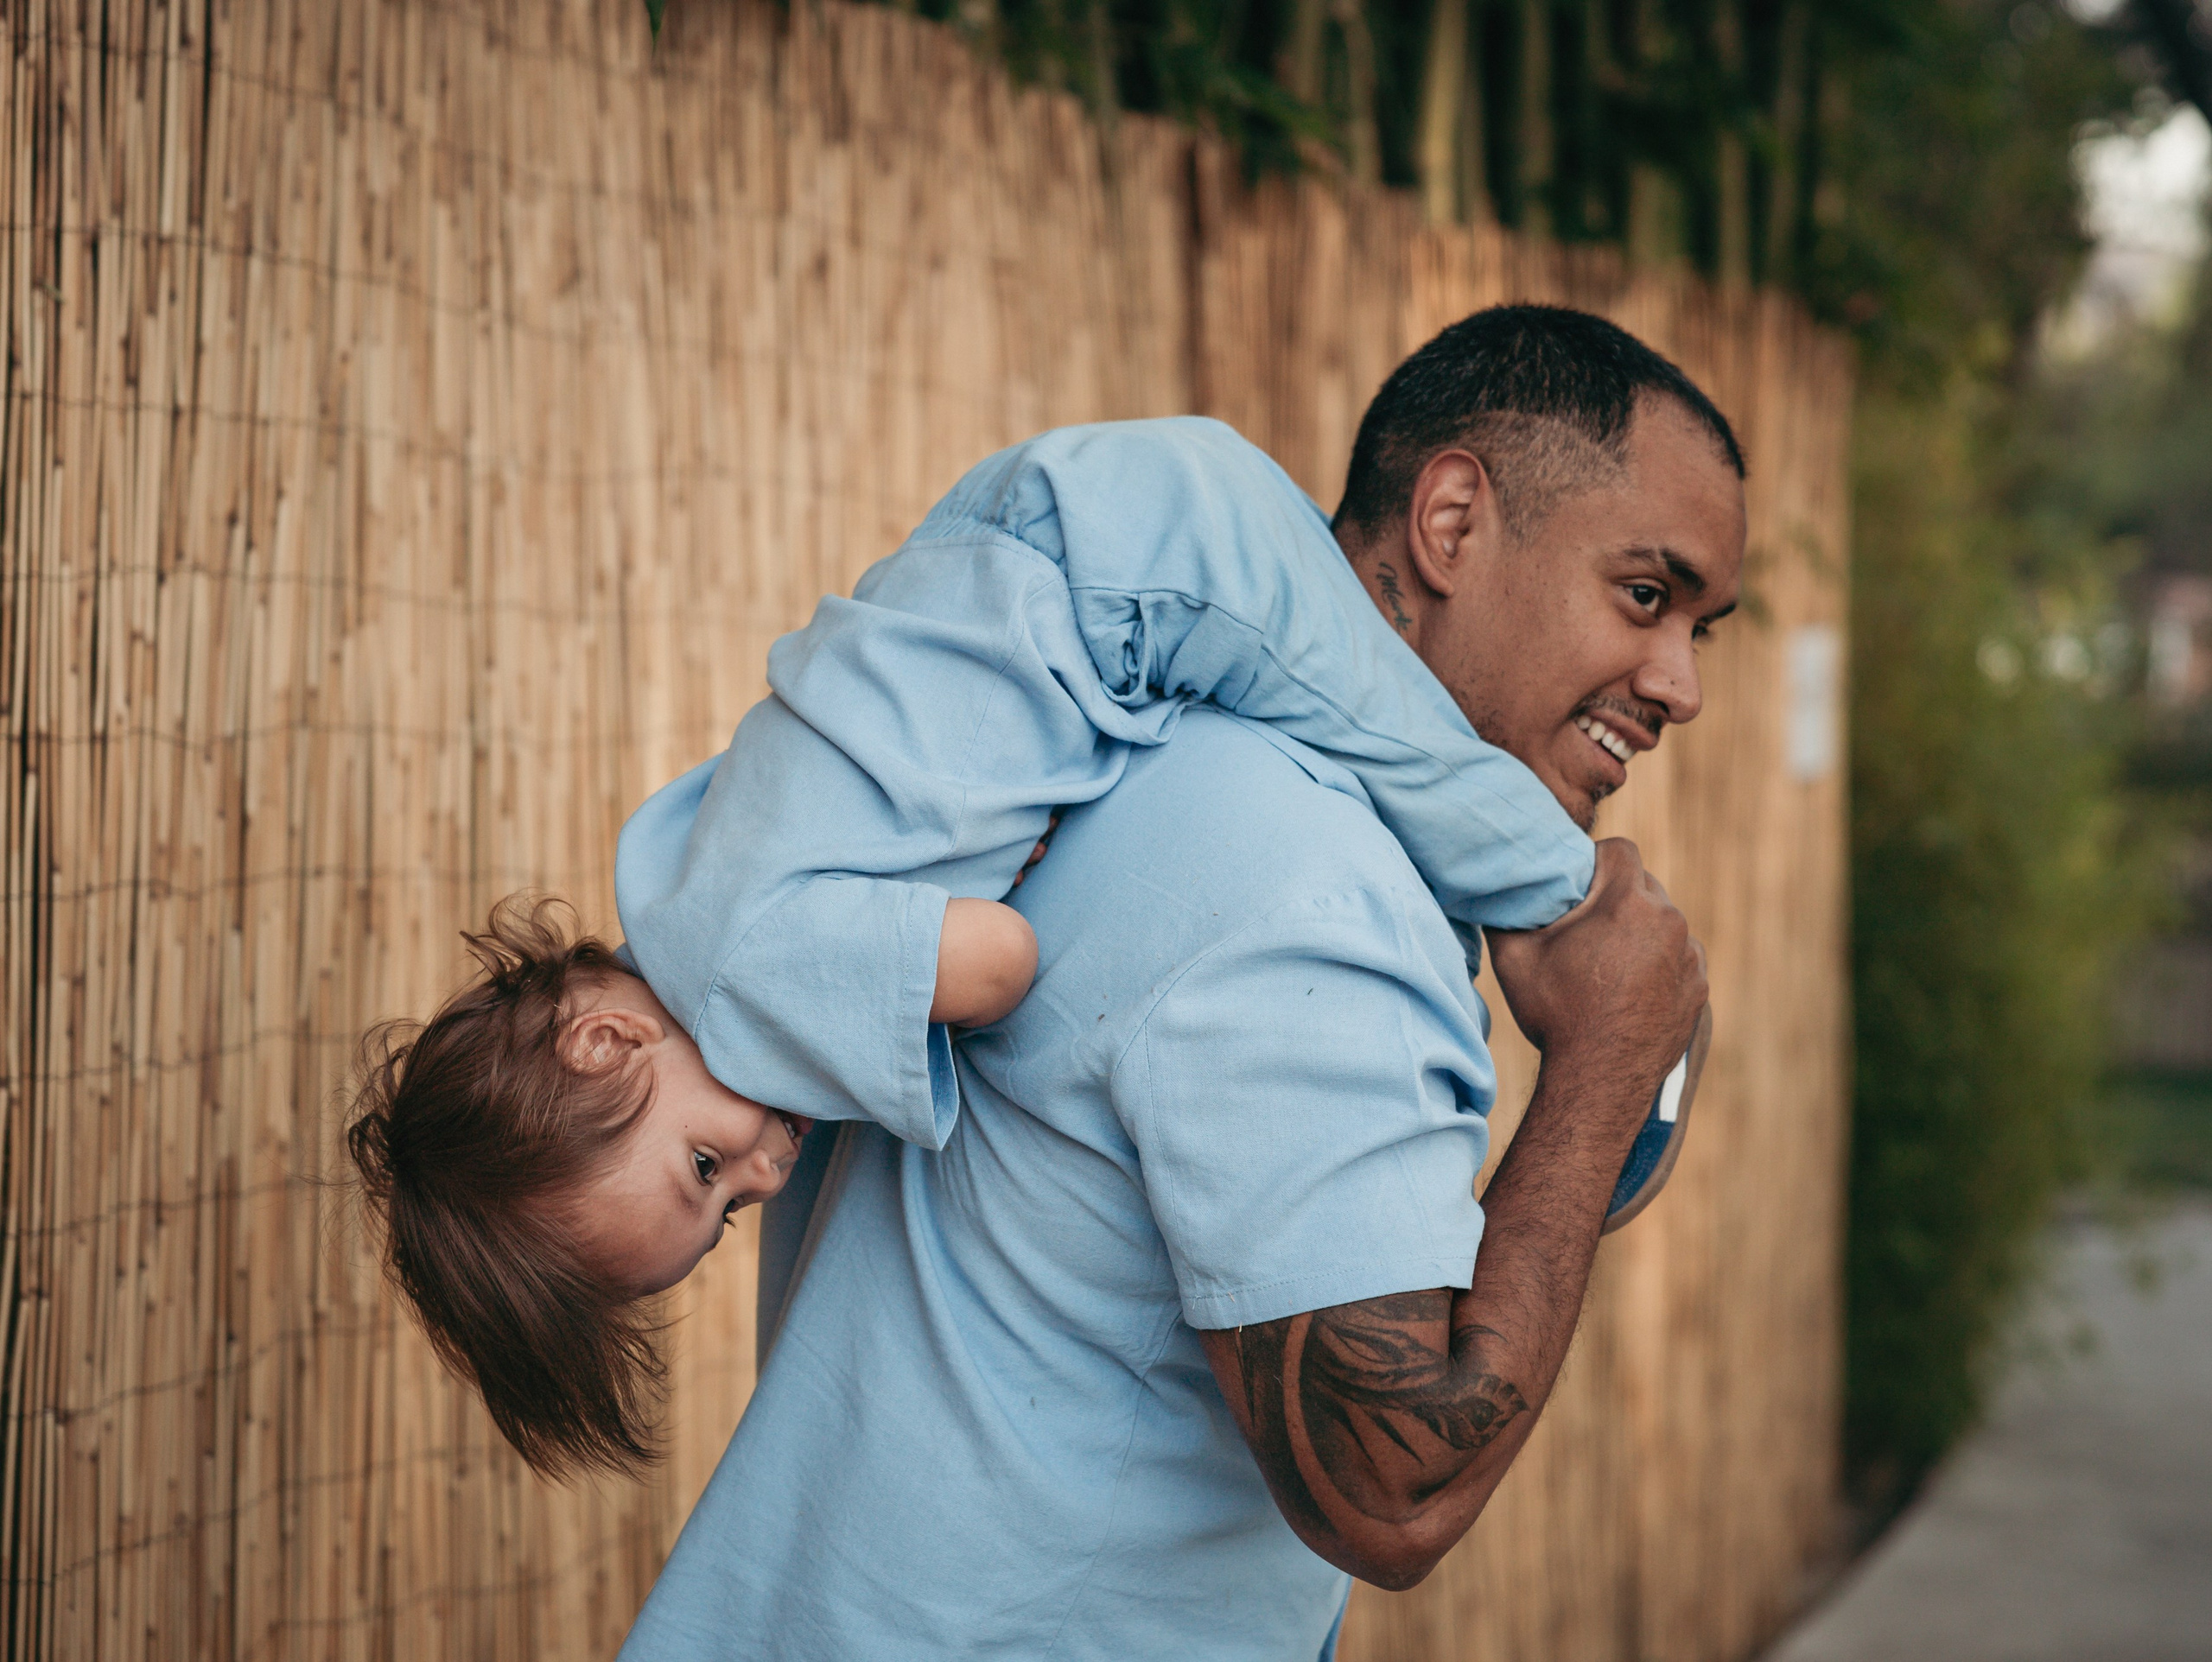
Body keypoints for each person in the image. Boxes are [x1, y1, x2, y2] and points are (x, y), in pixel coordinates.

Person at [612, 303, 1744, 1659]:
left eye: (1702, 630)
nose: (1679, 683)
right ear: (1450, 522)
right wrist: (1611, 1063)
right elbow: (1394, 1491)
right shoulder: (1315, 887)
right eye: (1645, 593)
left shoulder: (1096, 740)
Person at [346, 348, 1642, 1476]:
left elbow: (1002, 959)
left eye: (704, 1166)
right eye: (733, 1205)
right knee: (1374, 739)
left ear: (605, 1044)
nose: (770, 1166)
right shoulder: (684, 891)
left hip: (1122, 571)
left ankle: (1607, 966)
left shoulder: (749, 979)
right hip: (1071, 538)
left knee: (1410, 753)